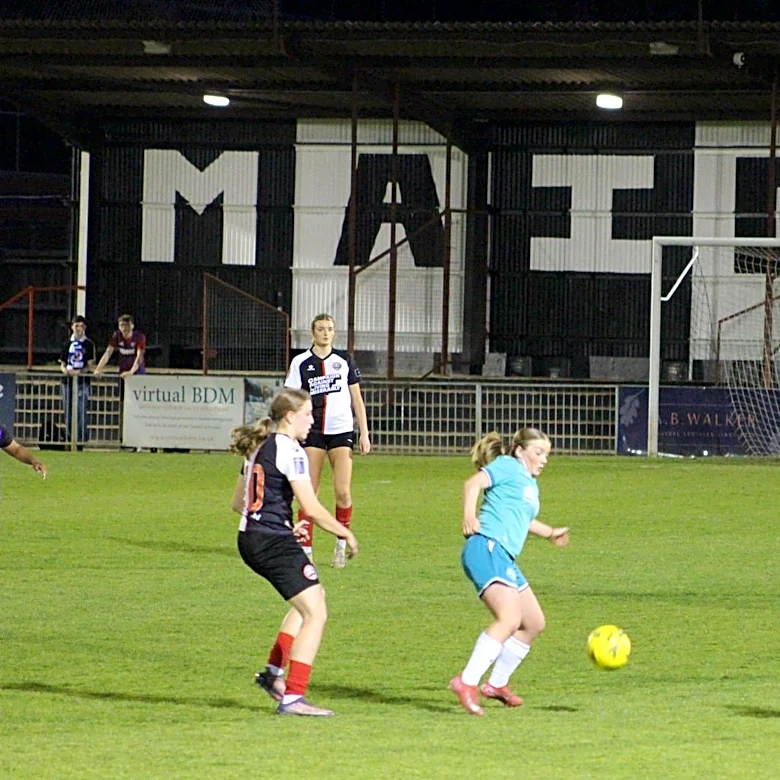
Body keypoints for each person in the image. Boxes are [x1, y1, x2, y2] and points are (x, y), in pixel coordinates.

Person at [231, 387, 359, 717]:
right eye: (307, 415)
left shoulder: (258, 445)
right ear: (290, 416)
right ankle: (293, 696)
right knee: (316, 613)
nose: (312, 421)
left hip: (252, 538)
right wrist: (344, 532)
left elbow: (238, 503)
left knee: (309, 602)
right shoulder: (291, 450)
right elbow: (312, 508)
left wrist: (284, 525)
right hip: (270, 541)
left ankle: (273, 673)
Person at [449, 428, 569, 716]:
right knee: (510, 619)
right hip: (486, 547)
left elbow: (523, 519)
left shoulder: (528, 483)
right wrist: (469, 516)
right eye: (538, 452)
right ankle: (467, 682)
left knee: (533, 623)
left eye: (547, 454)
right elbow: (472, 484)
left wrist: (550, 532)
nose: (544, 459)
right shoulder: (507, 466)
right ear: (519, 451)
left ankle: (496, 684)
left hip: (503, 556)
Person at [284, 313, 370, 568]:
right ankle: (306, 548)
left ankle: (341, 545)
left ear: (334, 332)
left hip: (341, 431)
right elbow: (291, 398)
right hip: (312, 432)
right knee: (309, 491)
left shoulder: (344, 361)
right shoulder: (300, 362)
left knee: (343, 491)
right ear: (313, 332)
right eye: (321, 328)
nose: (325, 333)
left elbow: (357, 399)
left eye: (329, 329)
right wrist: (290, 430)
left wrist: (364, 432)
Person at [59, 315, 96, 445]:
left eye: (81, 326)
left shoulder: (89, 344)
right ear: (72, 327)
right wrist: (66, 371)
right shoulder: (66, 344)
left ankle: (81, 439)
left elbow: (90, 365)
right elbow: (62, 364)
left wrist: (80, 372)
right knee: (68, 411)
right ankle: (70, 438)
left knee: (81, 411)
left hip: (82, 382)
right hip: (67, 382)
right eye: (76, 326)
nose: (79, 328)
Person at [93, 314, 146, 379]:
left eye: (127, 325)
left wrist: (131, 372)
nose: (124, 328)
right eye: (122, 325)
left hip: (137, 372)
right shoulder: (117, 335)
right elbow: (108, 353)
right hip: (123, 371)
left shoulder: (139, 337)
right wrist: (98, 369)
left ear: (132, 326)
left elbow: (139, 357)